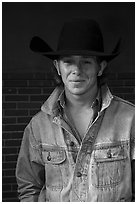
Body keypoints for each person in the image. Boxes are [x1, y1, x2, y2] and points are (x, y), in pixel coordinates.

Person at [16, 18, 135, 202]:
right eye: (68, 61)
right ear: (57, 67)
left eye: (86, 62)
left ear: (100, 67)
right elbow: (29, 187)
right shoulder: (38, 126)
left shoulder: (131, 120)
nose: (76, 70)